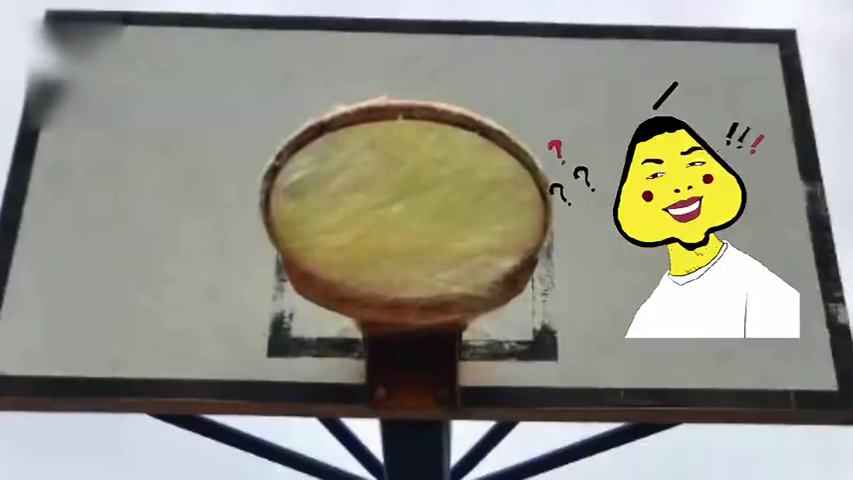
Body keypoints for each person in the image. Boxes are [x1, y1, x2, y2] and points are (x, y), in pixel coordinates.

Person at [613, 116, 799, 338]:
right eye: (656, 175)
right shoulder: (648, 317)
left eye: (694, 164)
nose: (681, 186)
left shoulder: (763, 292)